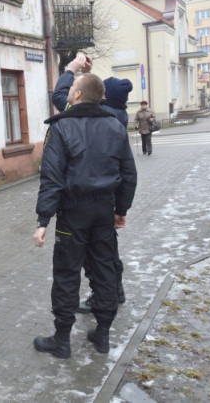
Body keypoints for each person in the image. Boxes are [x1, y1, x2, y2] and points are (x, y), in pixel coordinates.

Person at [33, 72, 137, 359]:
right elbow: (128, 173)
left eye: (72, 87)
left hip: (74, 214)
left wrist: (43, 221)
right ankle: (102, 334)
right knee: (104, 270)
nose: (69, 91)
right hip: (104, 212)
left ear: (77, 94)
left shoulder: (61, 127)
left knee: (67, 273)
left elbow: (51, 177)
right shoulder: (115, 126)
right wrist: (120, 210)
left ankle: (62, 340)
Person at [52, 53, 132, 313]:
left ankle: (104, 298)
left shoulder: (96, 115)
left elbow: (61, 97)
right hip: (107, 199)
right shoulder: (116, 116)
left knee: (90, 259)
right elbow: (128, 171)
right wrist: (121, 208)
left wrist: (71, 69)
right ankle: (113, 294)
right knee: (107, 252)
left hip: (80, 204)